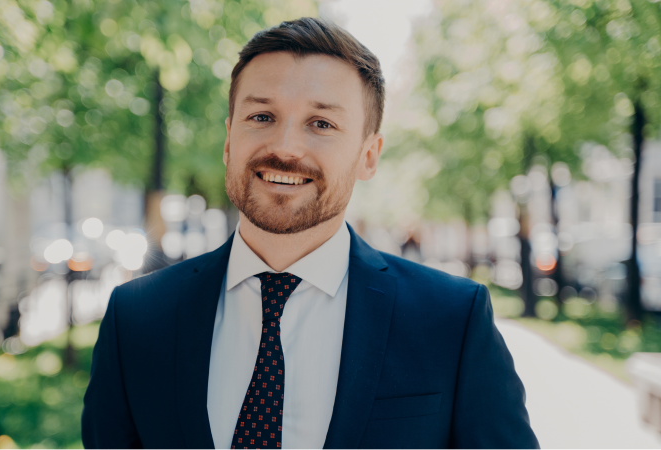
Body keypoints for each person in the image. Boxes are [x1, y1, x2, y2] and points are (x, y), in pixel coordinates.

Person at [82, 17, 540, 450]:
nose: (284, 147)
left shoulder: (451, 322)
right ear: (228, 141)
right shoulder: (137, 320)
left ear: (368, 155)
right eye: (261, 117)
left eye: (321, 124)